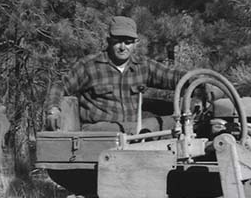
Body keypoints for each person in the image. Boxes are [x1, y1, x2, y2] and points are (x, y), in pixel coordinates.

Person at [49, 16, 181, 133]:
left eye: (128, 42)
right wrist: (53, 109)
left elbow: (173, 77)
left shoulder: (143, 65)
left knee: (177, 121)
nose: (123, 47)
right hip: (98, 134)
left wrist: (198, 80)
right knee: (143, 128)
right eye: (118, 41)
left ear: (136, 43)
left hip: (132, 133)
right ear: (109, 41)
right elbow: (60, 85)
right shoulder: (89, 66)